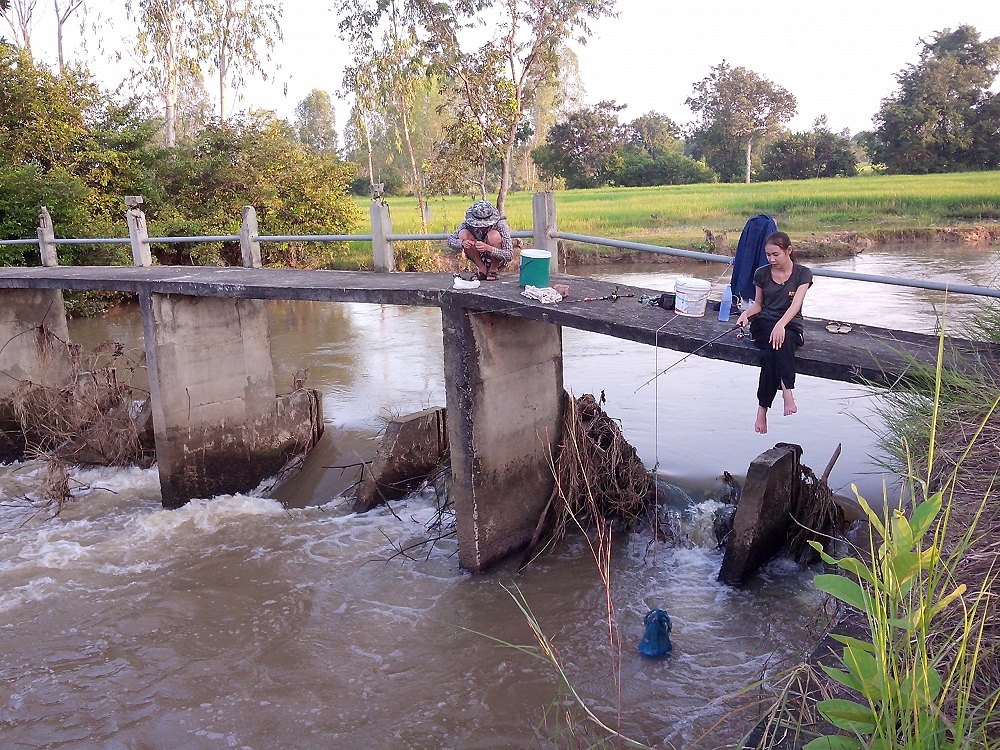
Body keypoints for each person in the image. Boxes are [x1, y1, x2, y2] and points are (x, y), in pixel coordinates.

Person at [735, 231, 813, 434]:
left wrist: (781, 325)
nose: (771, 259)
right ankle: (788, 390)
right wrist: (746, 314)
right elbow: (759, 305)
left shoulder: (803, 274)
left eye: (775, 254)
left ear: (789, 251)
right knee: (774, 338)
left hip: (791, 325)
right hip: (764, 324)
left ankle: (762, 409)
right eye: (768, 255)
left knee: (772, 351)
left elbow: (796, 306)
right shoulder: (761, 273)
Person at [447, 200, 514, 280]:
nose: (481, 227)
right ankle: (482, 269)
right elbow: (450, 240)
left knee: (493, 235)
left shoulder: (500, 224)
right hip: (478, 255)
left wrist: (488, 248)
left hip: (498, 257)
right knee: (463, 233)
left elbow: (509, 255)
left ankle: (493, 269)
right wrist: (462, 243)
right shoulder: (467, 223)